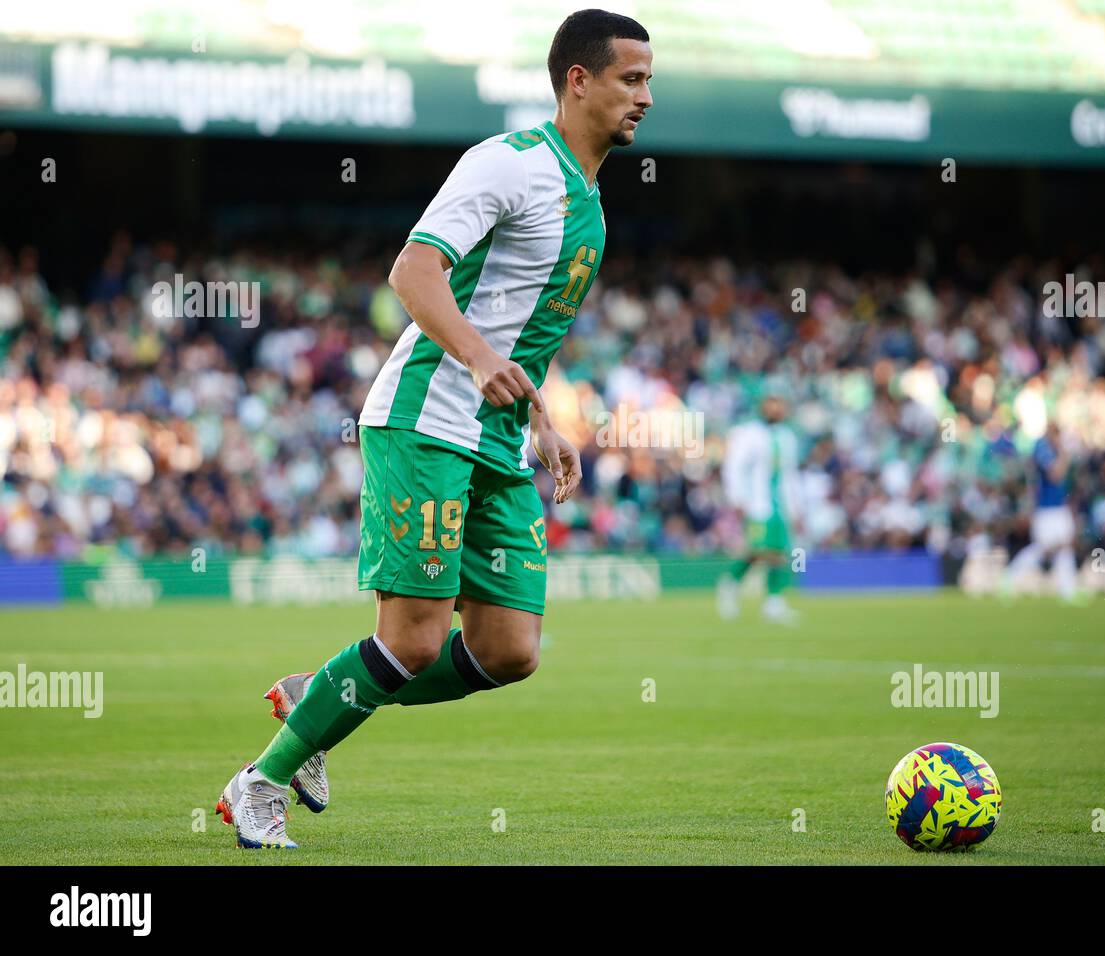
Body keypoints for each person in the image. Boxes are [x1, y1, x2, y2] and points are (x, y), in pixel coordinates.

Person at [216, 9, 653, 848]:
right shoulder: (508, 163)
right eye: (631, 79)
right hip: (426, 419)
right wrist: (482, 364)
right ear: (578, 80)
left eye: (648, 81)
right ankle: (259, 782)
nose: (645, 97)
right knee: (412, 641)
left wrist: (540, 416)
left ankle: (323, 693)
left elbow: (521, 330)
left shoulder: (591, 204)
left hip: (498, 438)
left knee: (508, 651)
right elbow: (414, 272)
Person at [717, 384, 803, 624]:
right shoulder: (749, 433)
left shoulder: (787, 437)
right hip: (757, 503)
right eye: (771, 402)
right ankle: (731, 582)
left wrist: (797, 508)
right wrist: (737, 498)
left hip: (781, 505)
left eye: (779, 403)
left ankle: (773, 603)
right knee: (757, 551)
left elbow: (791, 475)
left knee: (781, 554)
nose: (776, 408)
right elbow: (734, 466)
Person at [1005, 422, 1080, 602]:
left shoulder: (1052, 448)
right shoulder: (1042, 447)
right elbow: (1056, 474)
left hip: (1058, 506)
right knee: (1043, 549)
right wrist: (1063, 452)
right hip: (1046, 508)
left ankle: (1068, 592)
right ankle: (1009, 577)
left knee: (1065, 546)